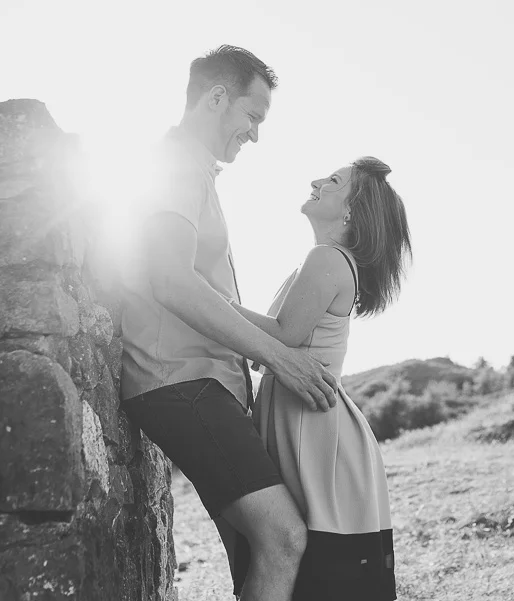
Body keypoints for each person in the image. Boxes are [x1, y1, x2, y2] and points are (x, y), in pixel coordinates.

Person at [118, 45, 340, 601]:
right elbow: (172, 281)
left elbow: (202, 288)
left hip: (200, 385)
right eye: (252, 116)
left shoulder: (192, 171)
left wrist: (278, 340)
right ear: (217, 97)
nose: (255, 135)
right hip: (179, 382)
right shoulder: (174, 166)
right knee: (283, 537)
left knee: (258, 556)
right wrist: (279, 357)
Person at [229, 156, 412, 601]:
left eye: (333, 181)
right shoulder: (325, 261)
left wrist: (205, 299)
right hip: (309, 422)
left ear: (352, 210)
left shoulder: (327, 258)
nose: (317, 181)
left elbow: (282, 336)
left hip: (312, 429)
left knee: (311, 561)